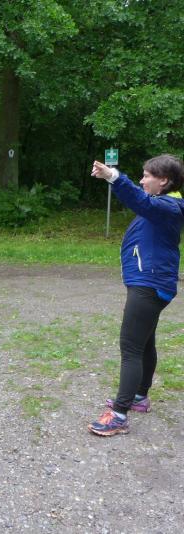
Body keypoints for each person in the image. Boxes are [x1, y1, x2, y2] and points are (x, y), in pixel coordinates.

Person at [88, 154, 184, 436]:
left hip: (148, 284)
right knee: (143, 343)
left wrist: (114, 176)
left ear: (164, 180)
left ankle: (119, 415)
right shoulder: (166, 204)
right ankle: (139, 397)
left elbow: (140, 201)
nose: (142, 181)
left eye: (146, 176)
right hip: (151, 282)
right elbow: (143, 203)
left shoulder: (167, 206)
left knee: (130, 348)